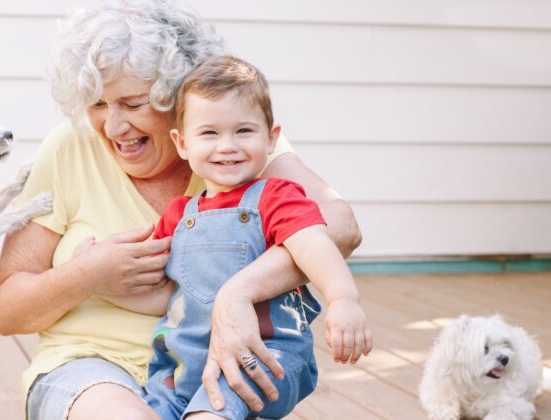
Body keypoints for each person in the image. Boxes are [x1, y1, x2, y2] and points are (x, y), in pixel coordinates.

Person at [0, 1, 364, 419]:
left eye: (133, 104)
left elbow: (340, 225)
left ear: (181, 96)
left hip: (218, 366)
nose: (112, 127)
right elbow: (5, 310)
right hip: (90, 364)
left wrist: (235, 294)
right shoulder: (67, 148)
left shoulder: (231, 144)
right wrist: (86, 275)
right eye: (97, 105)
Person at [98, 55, 372, 419]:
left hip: (262, 358)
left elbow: (314, 244)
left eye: (243, 131)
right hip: (183, 368)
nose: (227, 145)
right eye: (209, 133)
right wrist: (100, 284)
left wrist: (342, 298)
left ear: (271, 137)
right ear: (182, 143)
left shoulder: (276, 197)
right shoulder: (179, 215)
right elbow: (168, 293)